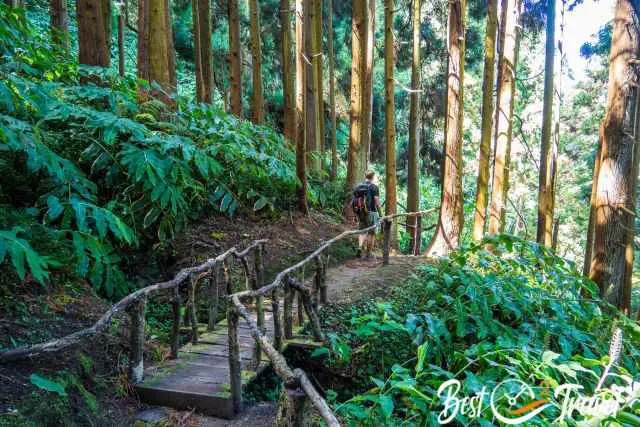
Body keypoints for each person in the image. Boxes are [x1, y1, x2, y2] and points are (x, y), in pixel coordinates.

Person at [352, 170, 382, 258]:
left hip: (361, 212)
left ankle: (359, 248)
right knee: (371, 233)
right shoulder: (374, 187)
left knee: (362, 231)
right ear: (373, 177)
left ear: (365, 176)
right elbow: (376, 202)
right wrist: (380, 213)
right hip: (372, 212)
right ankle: (369, 253)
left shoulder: (359, 186)